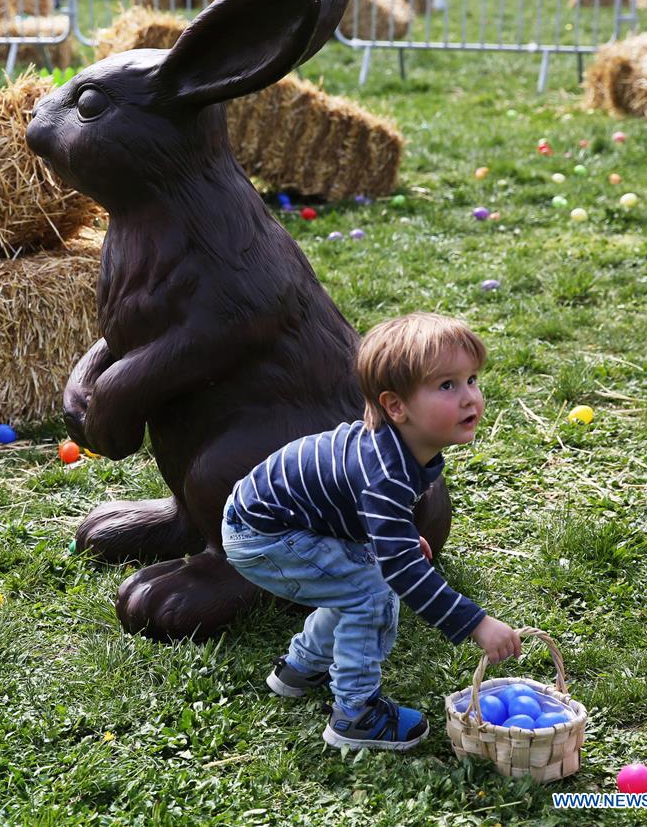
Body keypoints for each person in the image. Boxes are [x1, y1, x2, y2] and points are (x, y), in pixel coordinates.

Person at [222, 312, 521, 751]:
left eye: (472, 379)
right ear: (396, 406)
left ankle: (300, 669)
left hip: (278, 520)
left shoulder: (397, 452)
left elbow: (351, 506)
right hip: (263, 535)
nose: (469, 397)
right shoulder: (385, 472)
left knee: (356, 578)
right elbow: (403, 573)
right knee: (372, 590)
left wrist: (392, 538)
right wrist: (476, 624)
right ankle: (355, 714)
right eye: (447, 386)